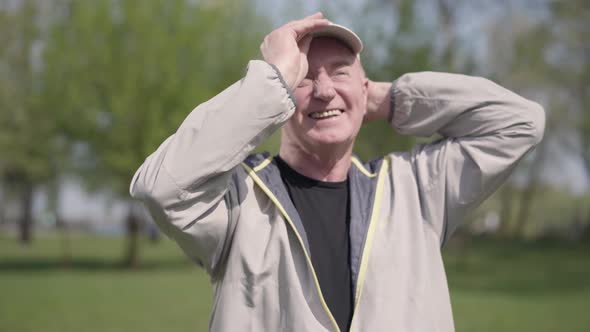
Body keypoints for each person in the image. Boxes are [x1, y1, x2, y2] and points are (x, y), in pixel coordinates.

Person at [130, 13, 545, 332]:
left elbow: (519, 123)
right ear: (278, 96)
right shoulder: (239, 202)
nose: (324, 88)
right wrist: (270, 83)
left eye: (341, 71)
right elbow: (163, 188)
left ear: (366, 86)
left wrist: (385, 100)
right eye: (305, 76)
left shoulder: (417, 189)